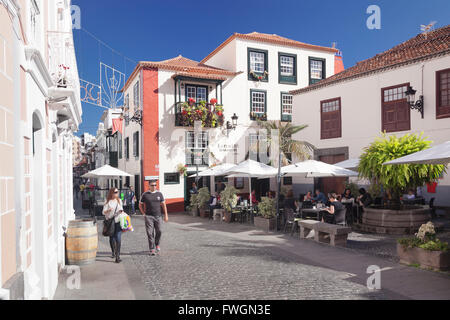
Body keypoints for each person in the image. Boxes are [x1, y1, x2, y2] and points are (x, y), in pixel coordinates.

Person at [139, 180, 169, 256]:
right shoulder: (145, 194)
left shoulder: (159, 194)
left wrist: (166, 215)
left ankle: (157, 244)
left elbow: (163, 205)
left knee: (159, 231)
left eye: (155, 185)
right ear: (149, 186)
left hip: (158, 216)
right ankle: (152, 249)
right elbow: (140, 205)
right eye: (152, 185)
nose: (154, 186)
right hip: (149, 216)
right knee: (150, 233)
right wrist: (143, 214)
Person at [102, 188, 124, 263]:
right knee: (112, 238)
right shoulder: (107, 201)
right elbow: (103, 212)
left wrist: (121, 211)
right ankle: (113, 252)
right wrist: (108, 210)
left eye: (117, 192)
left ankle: (117, 256)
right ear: (111, 193)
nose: (117, 193)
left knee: (118, 238)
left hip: (118, 221)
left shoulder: (119, 200)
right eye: (115, 192)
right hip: (110, 222)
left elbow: (121, 209)